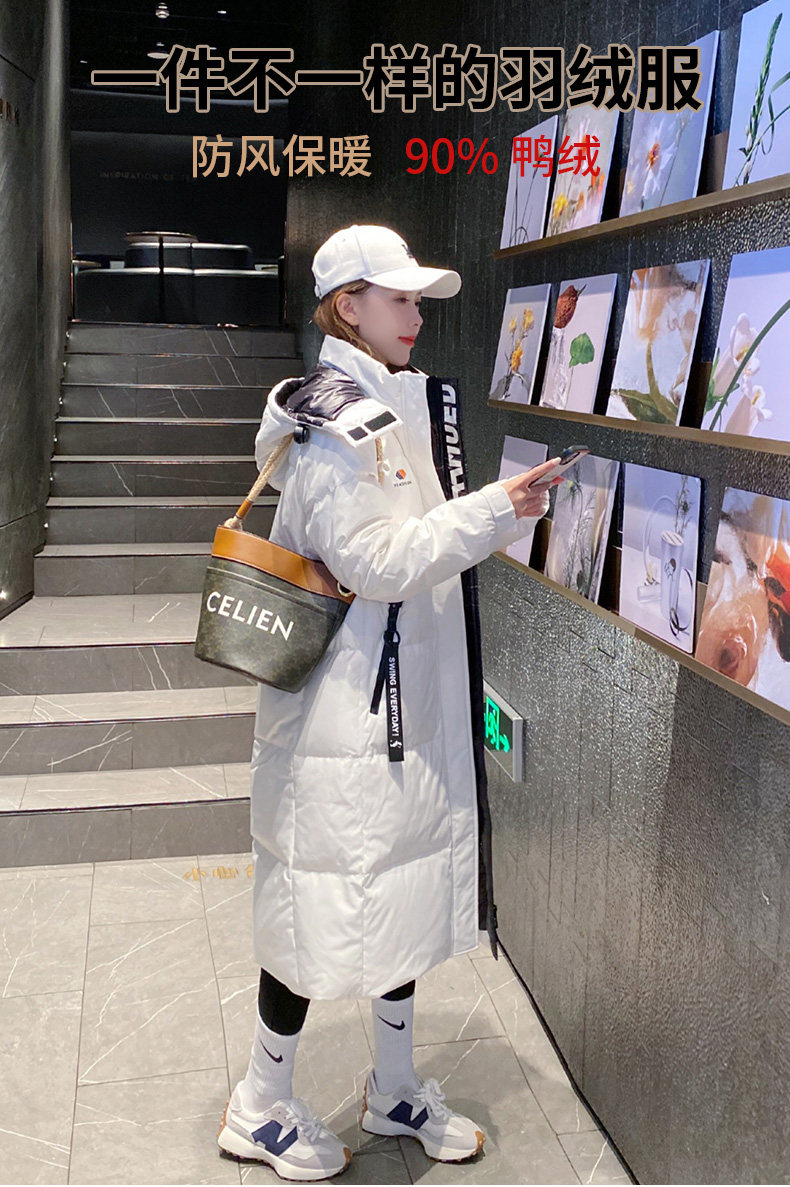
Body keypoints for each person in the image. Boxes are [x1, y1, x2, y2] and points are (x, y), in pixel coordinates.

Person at [216, 224, 563, 1180]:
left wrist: (490, 512)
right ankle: (259, 1102)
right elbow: (374, 561)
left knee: (400, 889)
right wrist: (496, 510)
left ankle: (396, 1084)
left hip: (399, 703)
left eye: (418, 299)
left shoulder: (398, 401)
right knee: (311, 899)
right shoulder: (334, 419)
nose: (417, 314)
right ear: (348, 306)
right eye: (400, 298)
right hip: (343, 712)